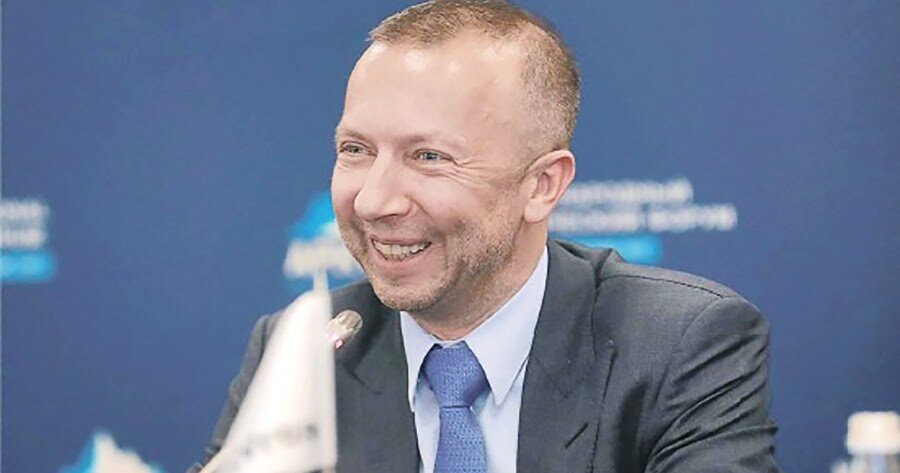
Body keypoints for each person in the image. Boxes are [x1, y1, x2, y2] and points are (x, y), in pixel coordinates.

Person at [189, 1, 781, 472]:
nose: (373, 200)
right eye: (355, 150)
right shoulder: (307, 348)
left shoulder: (677, 343)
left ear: (542, 185)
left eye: (429, 156)